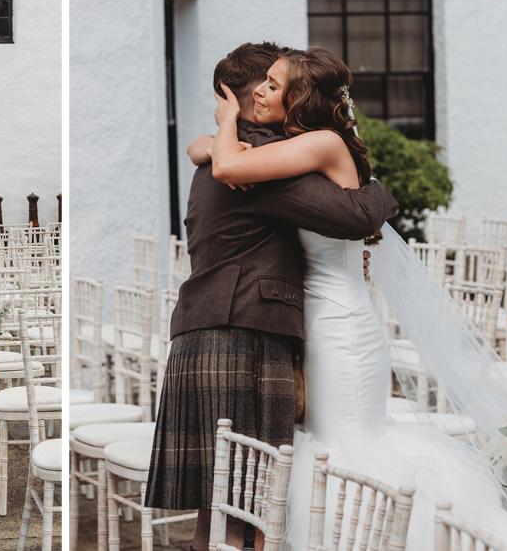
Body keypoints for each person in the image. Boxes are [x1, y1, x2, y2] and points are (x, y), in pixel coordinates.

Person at [190, 46, 507, 549]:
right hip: (313, 318)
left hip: (340, 324)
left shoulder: (322, 143)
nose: (259, 91)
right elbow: (205, 151)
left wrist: (226, 120)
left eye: (273, 85)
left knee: (347, 449)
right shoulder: (298, 148)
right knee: (325, 447)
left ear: (299, 97)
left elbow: (225, 165)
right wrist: (212, 136)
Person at [144, 43, 399, 551]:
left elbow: (210, 157)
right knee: (250, 511)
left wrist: (218, 132)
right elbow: (357, 215)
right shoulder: (254, 162)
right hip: (244, 336)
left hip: (208, 327)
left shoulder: (230, 154)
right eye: (266, 82)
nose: (266, 91)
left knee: (219, 514)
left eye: (276, 84)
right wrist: (376, 190)